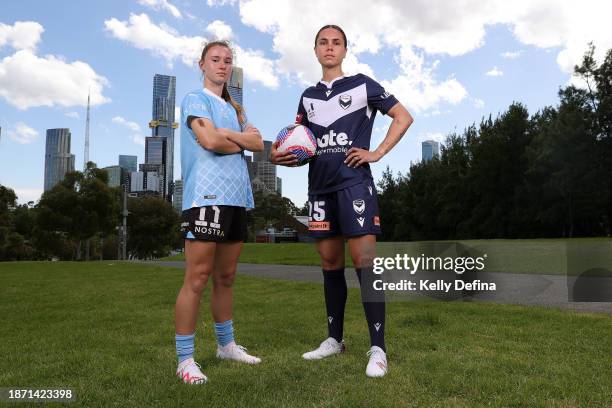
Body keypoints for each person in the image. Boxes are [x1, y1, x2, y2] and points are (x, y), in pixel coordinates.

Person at [270, 25, 413, 378]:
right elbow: (296, 140)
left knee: (364, 263)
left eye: (336, 42)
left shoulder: (363, 85)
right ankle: (334, 340)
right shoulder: (307, 96)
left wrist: (377, 152)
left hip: (355, 186)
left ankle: (378, 348)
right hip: (320, 189)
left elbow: (403, 116)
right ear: (315, 50)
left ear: (344, 50)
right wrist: (277, 156)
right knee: (330, 265)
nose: (329, 47)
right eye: (323, 42)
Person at [174, 40, 264, 384]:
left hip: (237, 197)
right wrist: (236, 138)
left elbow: (257, 144)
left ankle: (226, 346)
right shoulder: (195, 100)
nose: (222, 65)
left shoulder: (237, 110)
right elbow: (209, 142)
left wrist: (228, 133)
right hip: (205, 197)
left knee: (225, 278)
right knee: (196, 279)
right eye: (215, 59)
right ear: (202, 64)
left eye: (228, 61)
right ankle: (185, 359)